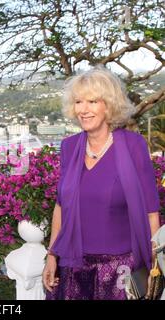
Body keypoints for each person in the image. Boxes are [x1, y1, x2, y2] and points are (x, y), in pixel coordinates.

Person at [42, 65, 161, 300]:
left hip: (119, 274)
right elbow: (60, 207)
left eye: (92, 101)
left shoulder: (133, 146)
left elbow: (150, 212)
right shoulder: (69, 147)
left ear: (109, 105)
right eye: (78, 102)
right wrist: (52, 256)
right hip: (72, 271)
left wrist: (154, 268)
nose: (83, 110)